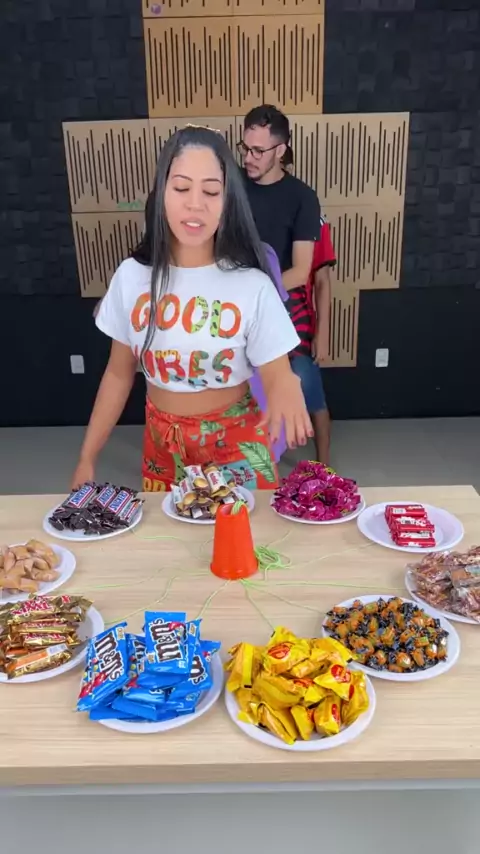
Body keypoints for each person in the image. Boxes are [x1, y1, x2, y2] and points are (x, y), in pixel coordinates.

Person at [72, 125, 312, 492]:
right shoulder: (132, 277)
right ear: (161, 193)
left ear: (228, 201)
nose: (195, 204)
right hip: (162, 444)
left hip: (236, 443)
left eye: (211, 191)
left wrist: (286, 383)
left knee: (246, 531)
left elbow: (276, 372)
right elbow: (119, 375)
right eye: (182, 188)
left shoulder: (252, 285)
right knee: (169, 531)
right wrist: (87, 457)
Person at [238, 104, 330, 461]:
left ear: (281, 150)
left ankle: (324, 464)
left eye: (258, 151)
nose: (248, 157)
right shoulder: (231, 188)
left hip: (284, 304)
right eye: (245, 148)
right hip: (237, 305)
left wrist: (257, 294)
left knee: (304, 378)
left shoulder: (302, 197)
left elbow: (302, 270)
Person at [287, 216, 336, 463]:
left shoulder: (312, 218)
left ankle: (324, 466)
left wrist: (322, 333)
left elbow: (322, 280)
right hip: (257, 319)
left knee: (310, 390)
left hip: (299, 324)